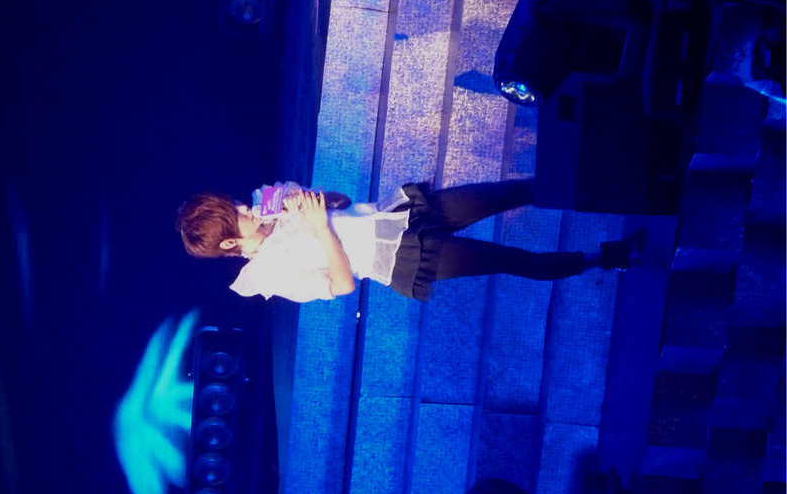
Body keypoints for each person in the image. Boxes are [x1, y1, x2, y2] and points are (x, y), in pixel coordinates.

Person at [175, 180, 643, 303]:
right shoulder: (267, 274)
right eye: (238, 215)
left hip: (402, 215)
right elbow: (341, 286)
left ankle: (615, 189)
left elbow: (343, 201)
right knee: (519, 261)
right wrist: (318, 227)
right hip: (403, 257)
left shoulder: (270, 205)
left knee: (511, 191)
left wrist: (312, 201)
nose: (246, 208)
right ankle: (607, 256)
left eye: (236, 203)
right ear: (230, 245)